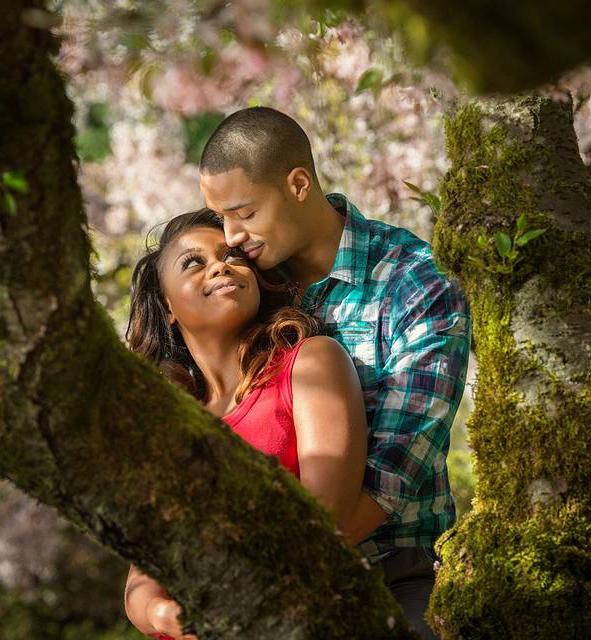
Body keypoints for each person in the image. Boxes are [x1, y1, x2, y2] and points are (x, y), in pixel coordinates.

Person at [198, 106, 472, 638]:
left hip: (395, 573)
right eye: (221, 218)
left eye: (244, 213)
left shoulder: (415, 282)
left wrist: (276, 573)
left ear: (298, 183)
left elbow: (398, 467)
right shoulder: (243, 286)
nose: (230, 237)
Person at [121, 209, 370, 639]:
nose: (221, 265)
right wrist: (167, 616)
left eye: (233, 255)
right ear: (167, 305)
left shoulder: (309, 364)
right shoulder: (167, 424)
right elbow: (141, 580)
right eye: (193, 262)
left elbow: (321, 524)